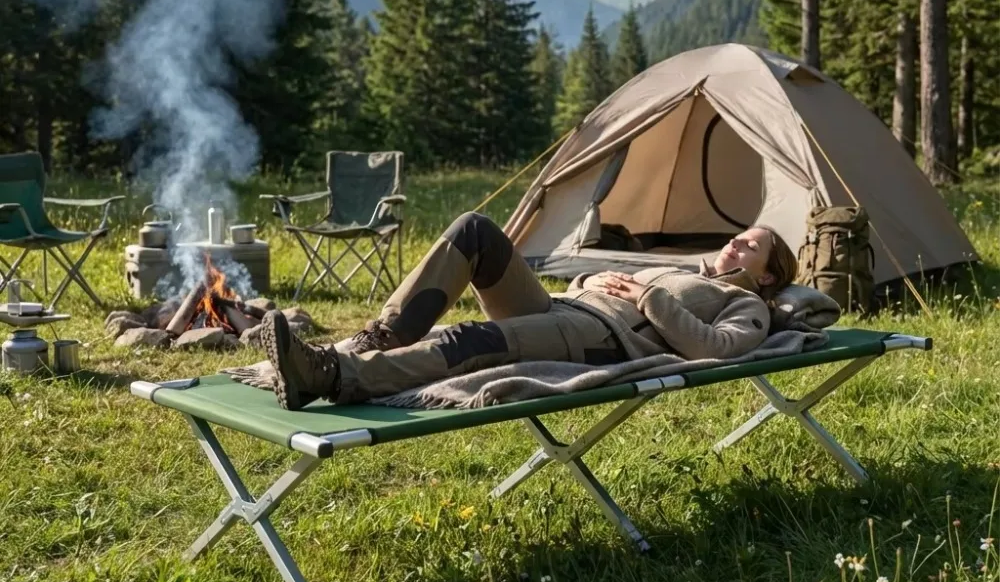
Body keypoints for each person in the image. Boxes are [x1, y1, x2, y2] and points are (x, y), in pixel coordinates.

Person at [260, 211, 798, 410]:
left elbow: (715, 349)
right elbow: (600, 284)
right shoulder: (685, 270)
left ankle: (331, 375)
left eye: (750, 245)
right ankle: (380, 337)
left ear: (769, 274)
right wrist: (591, 279)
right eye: (738, 236)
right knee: (475, 231)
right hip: (565, 306)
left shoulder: (745, 302)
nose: (735, 242)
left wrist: (645, 296)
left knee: (469, 340)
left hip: (597, 338)